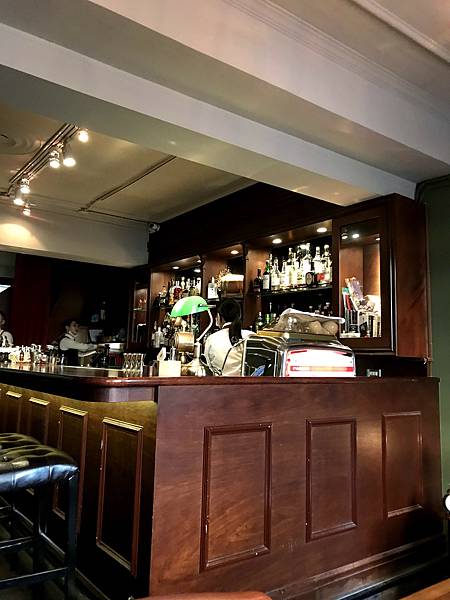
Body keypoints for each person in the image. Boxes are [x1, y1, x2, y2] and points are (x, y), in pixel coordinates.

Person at [204, 299, 252, 376]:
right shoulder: (251, 336)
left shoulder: (212, 339)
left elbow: (209, 366)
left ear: (219, 317)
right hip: (248, 383)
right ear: (239, 316)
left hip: (219, 382)